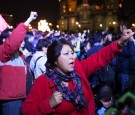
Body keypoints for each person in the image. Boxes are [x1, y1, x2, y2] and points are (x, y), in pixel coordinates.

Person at [22, 28, 134, 115]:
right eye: (66, 54)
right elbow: (26, 110)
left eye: (72, 53)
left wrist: (119, 42)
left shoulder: (78, 69)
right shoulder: (43, 82)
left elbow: (99, 58)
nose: (72, 57)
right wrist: (48, 104)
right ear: (55, 60)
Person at [0, 11, 38, 115]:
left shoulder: (19, 55)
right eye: (12, 36)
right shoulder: (3, 52)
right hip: (11, 100)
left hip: (22, 97)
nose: (19, 40)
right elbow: (13, 42)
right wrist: (29, 20)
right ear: (4, 40)